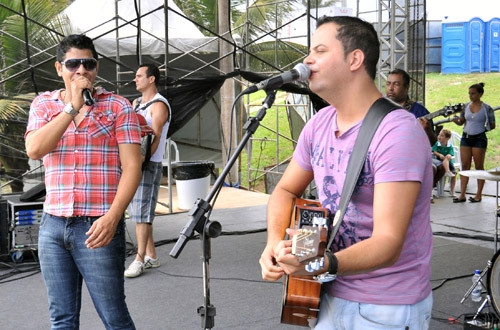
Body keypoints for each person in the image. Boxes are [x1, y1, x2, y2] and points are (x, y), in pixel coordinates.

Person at [259, 16, 433, 329]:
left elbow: (389, 241)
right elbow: (285, 191)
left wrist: (318, 263)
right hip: (327, 290)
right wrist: (274, 243)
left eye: (320, 50)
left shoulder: (397, 132)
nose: (307, 60)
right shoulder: (319, 124)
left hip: (384, 306)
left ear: (354, 59)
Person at [25, 34, 141, 329]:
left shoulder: (117, 106)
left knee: (114, 318)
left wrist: (113, 217)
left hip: (98, 225)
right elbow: (35, 149)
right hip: (53, 226)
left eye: (87, 63)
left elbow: (132, 166)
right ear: (59, 68)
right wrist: (71, 107)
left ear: (96, 67)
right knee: (61, 319)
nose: (81, 70)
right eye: (73, 63)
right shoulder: (43, 105)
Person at [125, 64, 171, 278]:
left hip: (148, 163)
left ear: (151, 79)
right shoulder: (136, 104)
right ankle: (151, 255)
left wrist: (143, 162)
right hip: (134, 162)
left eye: (139, 76)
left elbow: (157, 135)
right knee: (139, 211)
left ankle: (139, 258)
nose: (135, 79)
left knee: (142, 213)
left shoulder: (159, 105)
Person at [385, 68, 445, 199]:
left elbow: (433, 142)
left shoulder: (419, 111)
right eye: (388, 83)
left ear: (406, 87)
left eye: (396, 84)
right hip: (385, 162)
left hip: (410, 164)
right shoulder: (380, 108)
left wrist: (427, 130)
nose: (390, 88)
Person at [452, 82, 496, 203]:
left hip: (479, 138)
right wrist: (456, 120)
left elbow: (492, 125)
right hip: (466, 137)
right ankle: (462, 194)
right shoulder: (465, 106)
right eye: (469, 93)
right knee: (465, 166)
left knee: (478, 166)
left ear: (480, 94)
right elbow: (461, 121)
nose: (470, 96)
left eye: (473, 93)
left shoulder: (487, 108)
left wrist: (481, 129)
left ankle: (478, 194)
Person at [432, 128, 457, 196]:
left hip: (448, 162)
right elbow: (434, 151)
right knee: (445, 160)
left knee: (454, 174)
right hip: (438, 162)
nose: (439, 136)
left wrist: (448, 155)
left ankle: (452, 190)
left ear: (447, 138)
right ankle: (447, 171)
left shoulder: (449, 145)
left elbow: (451, 153)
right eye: (439, 135)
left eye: (442, 135)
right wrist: (439, 155)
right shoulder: (437, 143)